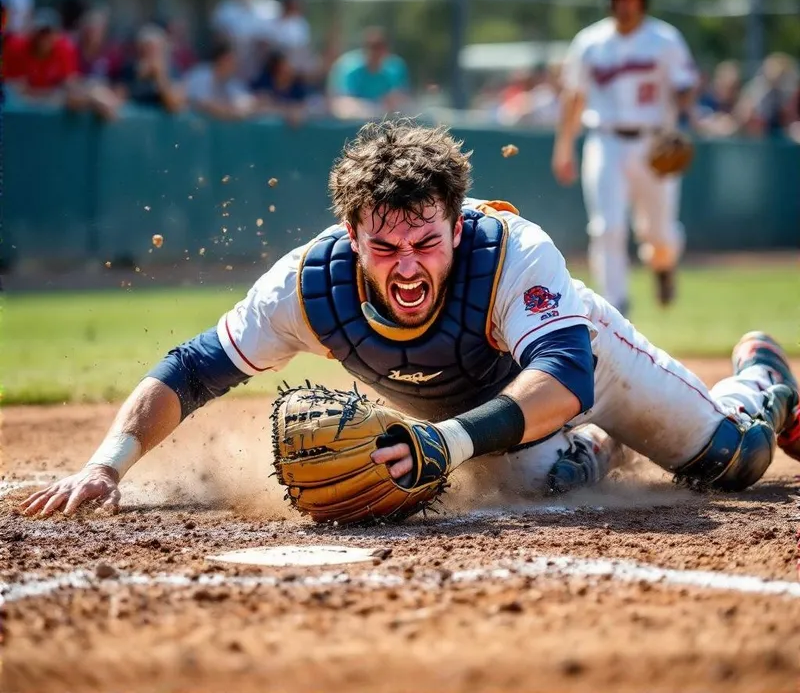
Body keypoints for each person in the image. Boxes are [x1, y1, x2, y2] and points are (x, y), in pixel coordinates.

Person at [21, 119, 799, 519]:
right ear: (350, 235)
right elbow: (190, 370)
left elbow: (566, 375)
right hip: (491, 413)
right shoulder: (307, 287)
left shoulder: (512, 253)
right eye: (382, 245)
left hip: (579, 360)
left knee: (734, 465)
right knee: (530, 479)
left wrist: (445, 440)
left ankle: (761, 378)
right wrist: (108, 462)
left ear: (458, 228)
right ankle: (587, 452)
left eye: (427, 241)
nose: (406, 264)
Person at [552, 0, 698, 315]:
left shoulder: (664, 39)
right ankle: (615, 306)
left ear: (643, 1)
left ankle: (663, 265)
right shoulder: (590, 42)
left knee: (658, 233)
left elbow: (686, 85)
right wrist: (564, 146)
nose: (626, 4)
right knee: (607, 227)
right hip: (605, 141)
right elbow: (574, 96)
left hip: (654, 142)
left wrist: (680, 119)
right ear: (610, 1)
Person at [328, 27, 410, 119]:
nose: (376, 54)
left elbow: (397, 98)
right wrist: (371, 109)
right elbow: (342, 102)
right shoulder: (351, 70)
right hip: (354, 117)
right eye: (372, 48)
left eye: (379, 48)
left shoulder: (390, 72)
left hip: (380, 116)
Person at [4, 8, 81, 103]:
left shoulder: (65, 49)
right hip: (20, 105)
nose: (43, 38)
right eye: (40, 32)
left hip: (52, 104)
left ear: (57, 35)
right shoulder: (16, 47)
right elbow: (10, 85)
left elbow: (70, 84)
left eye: (48, 33)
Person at [112, 24, 185, 113]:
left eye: (155, 49)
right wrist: (137, 78)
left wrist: (160, 77)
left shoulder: (173, 70)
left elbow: (174, 105)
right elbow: (116, 100)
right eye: (146, 49)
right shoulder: (129, 69)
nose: (151, 54)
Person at [184, 38, 255, 120]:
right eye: (231, 61)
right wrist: (227, 110)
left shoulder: (232, 82)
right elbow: (200, 103)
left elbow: (245, 101)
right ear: (222, 59)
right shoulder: (199, 75)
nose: (235, 65)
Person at [250, 49, 308, 124]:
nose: (289, 68)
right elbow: (255, 104)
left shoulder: (297, 87)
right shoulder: (262, 84)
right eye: (284, 66)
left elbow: (303, 106)